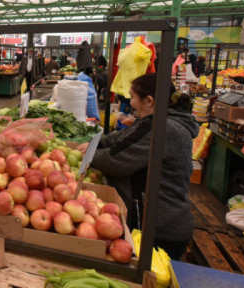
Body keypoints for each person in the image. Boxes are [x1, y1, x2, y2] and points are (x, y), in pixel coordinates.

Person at [77, 73, 197, 260]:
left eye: (132, 97)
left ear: (149, 100)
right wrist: (96, 143)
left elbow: (116, 162)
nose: (130, 103)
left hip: (159, 230)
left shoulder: (163, 128)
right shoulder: (156, 120)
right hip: (158, 221)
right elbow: (123, 138)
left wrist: (90, 155)